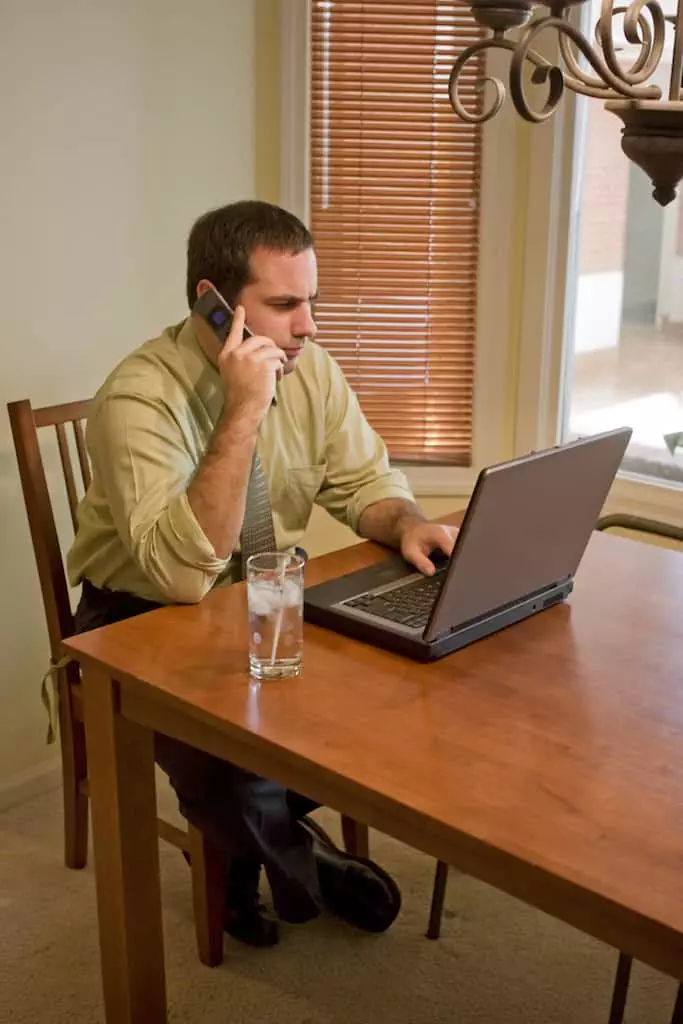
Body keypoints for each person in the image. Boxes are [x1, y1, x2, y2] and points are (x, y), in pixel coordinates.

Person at [67, 199, 457, 947]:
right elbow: (181, 577)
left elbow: (363, 483)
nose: (307, 324)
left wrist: (407, 522)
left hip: (263, 594)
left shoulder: (311, 370)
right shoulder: (138, 396)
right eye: (283, 305)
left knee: (377, 697)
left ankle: (243, 856)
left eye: (311, 300)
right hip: (136, 615)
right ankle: (300, 860)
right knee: (219, 754)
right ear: (213, 305)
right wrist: (243, 408)